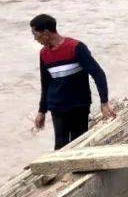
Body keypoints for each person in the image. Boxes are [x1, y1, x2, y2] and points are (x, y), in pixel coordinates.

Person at [30, 14, 115, 150]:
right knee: (60, 145)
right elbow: (45, 83)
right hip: (57, 106)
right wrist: (42, 111)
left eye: (36, 35)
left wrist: (104, 102)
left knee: (79, 142)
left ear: (46, 32)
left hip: (79, 105)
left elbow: (98, 74)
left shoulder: (76, 47)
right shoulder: (44, 54)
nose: (35, 39)